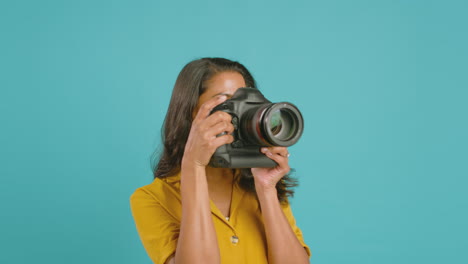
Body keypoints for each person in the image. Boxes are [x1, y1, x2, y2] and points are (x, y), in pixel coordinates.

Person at [130, 57, 311, 264]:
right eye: (225, 102)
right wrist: (194, 165)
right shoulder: (151, 198)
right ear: (191, 114)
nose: (239, 115)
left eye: (243, 102)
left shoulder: (263, 186)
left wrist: (267, 189)